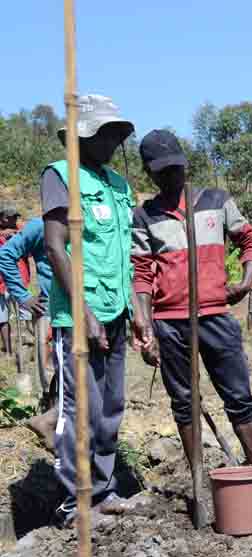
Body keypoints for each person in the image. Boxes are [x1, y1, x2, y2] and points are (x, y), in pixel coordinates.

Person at [130, 130, 252, 497]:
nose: (171, 177)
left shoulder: (215, 201)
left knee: (238, 394)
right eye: (162, 172)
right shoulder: (144, 215)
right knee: (185, 401)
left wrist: (247, 281)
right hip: (170, 322)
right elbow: (140, 273)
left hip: (216, 315)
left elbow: (249, 240)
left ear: (185, 165)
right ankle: (199, 479)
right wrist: (145, 325)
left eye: (175, 169)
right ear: (149, 174)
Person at [41, 94, 153, 528]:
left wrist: (138, 312)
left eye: (114, 134)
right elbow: (55, 246)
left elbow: (126, 254)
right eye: (102, 134)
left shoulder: (119, 186)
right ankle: (75, 502)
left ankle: (104, 491)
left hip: (117, 311)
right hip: (78, 314)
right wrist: (82, 310)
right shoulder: (60, 176)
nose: (110, 142)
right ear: (81, 135)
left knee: (110, 407)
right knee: (80, 410)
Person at [0, 210, 57, 442]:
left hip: (86, 306)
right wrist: (23, 296)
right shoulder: (38, 226)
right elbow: (6, 256)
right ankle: (50, 414)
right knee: (50, 366)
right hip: (49, 305)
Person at [0, 202, 30, 355]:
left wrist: (17, 238)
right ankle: (9, 351)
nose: (14, 221)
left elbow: (31, 252)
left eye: (15, 217)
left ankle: (31, 339)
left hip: (19, 279)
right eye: (10, 218)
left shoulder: (21, 231)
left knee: (27, 312)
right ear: (2, 219)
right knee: (2, 318)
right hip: (1, 284)